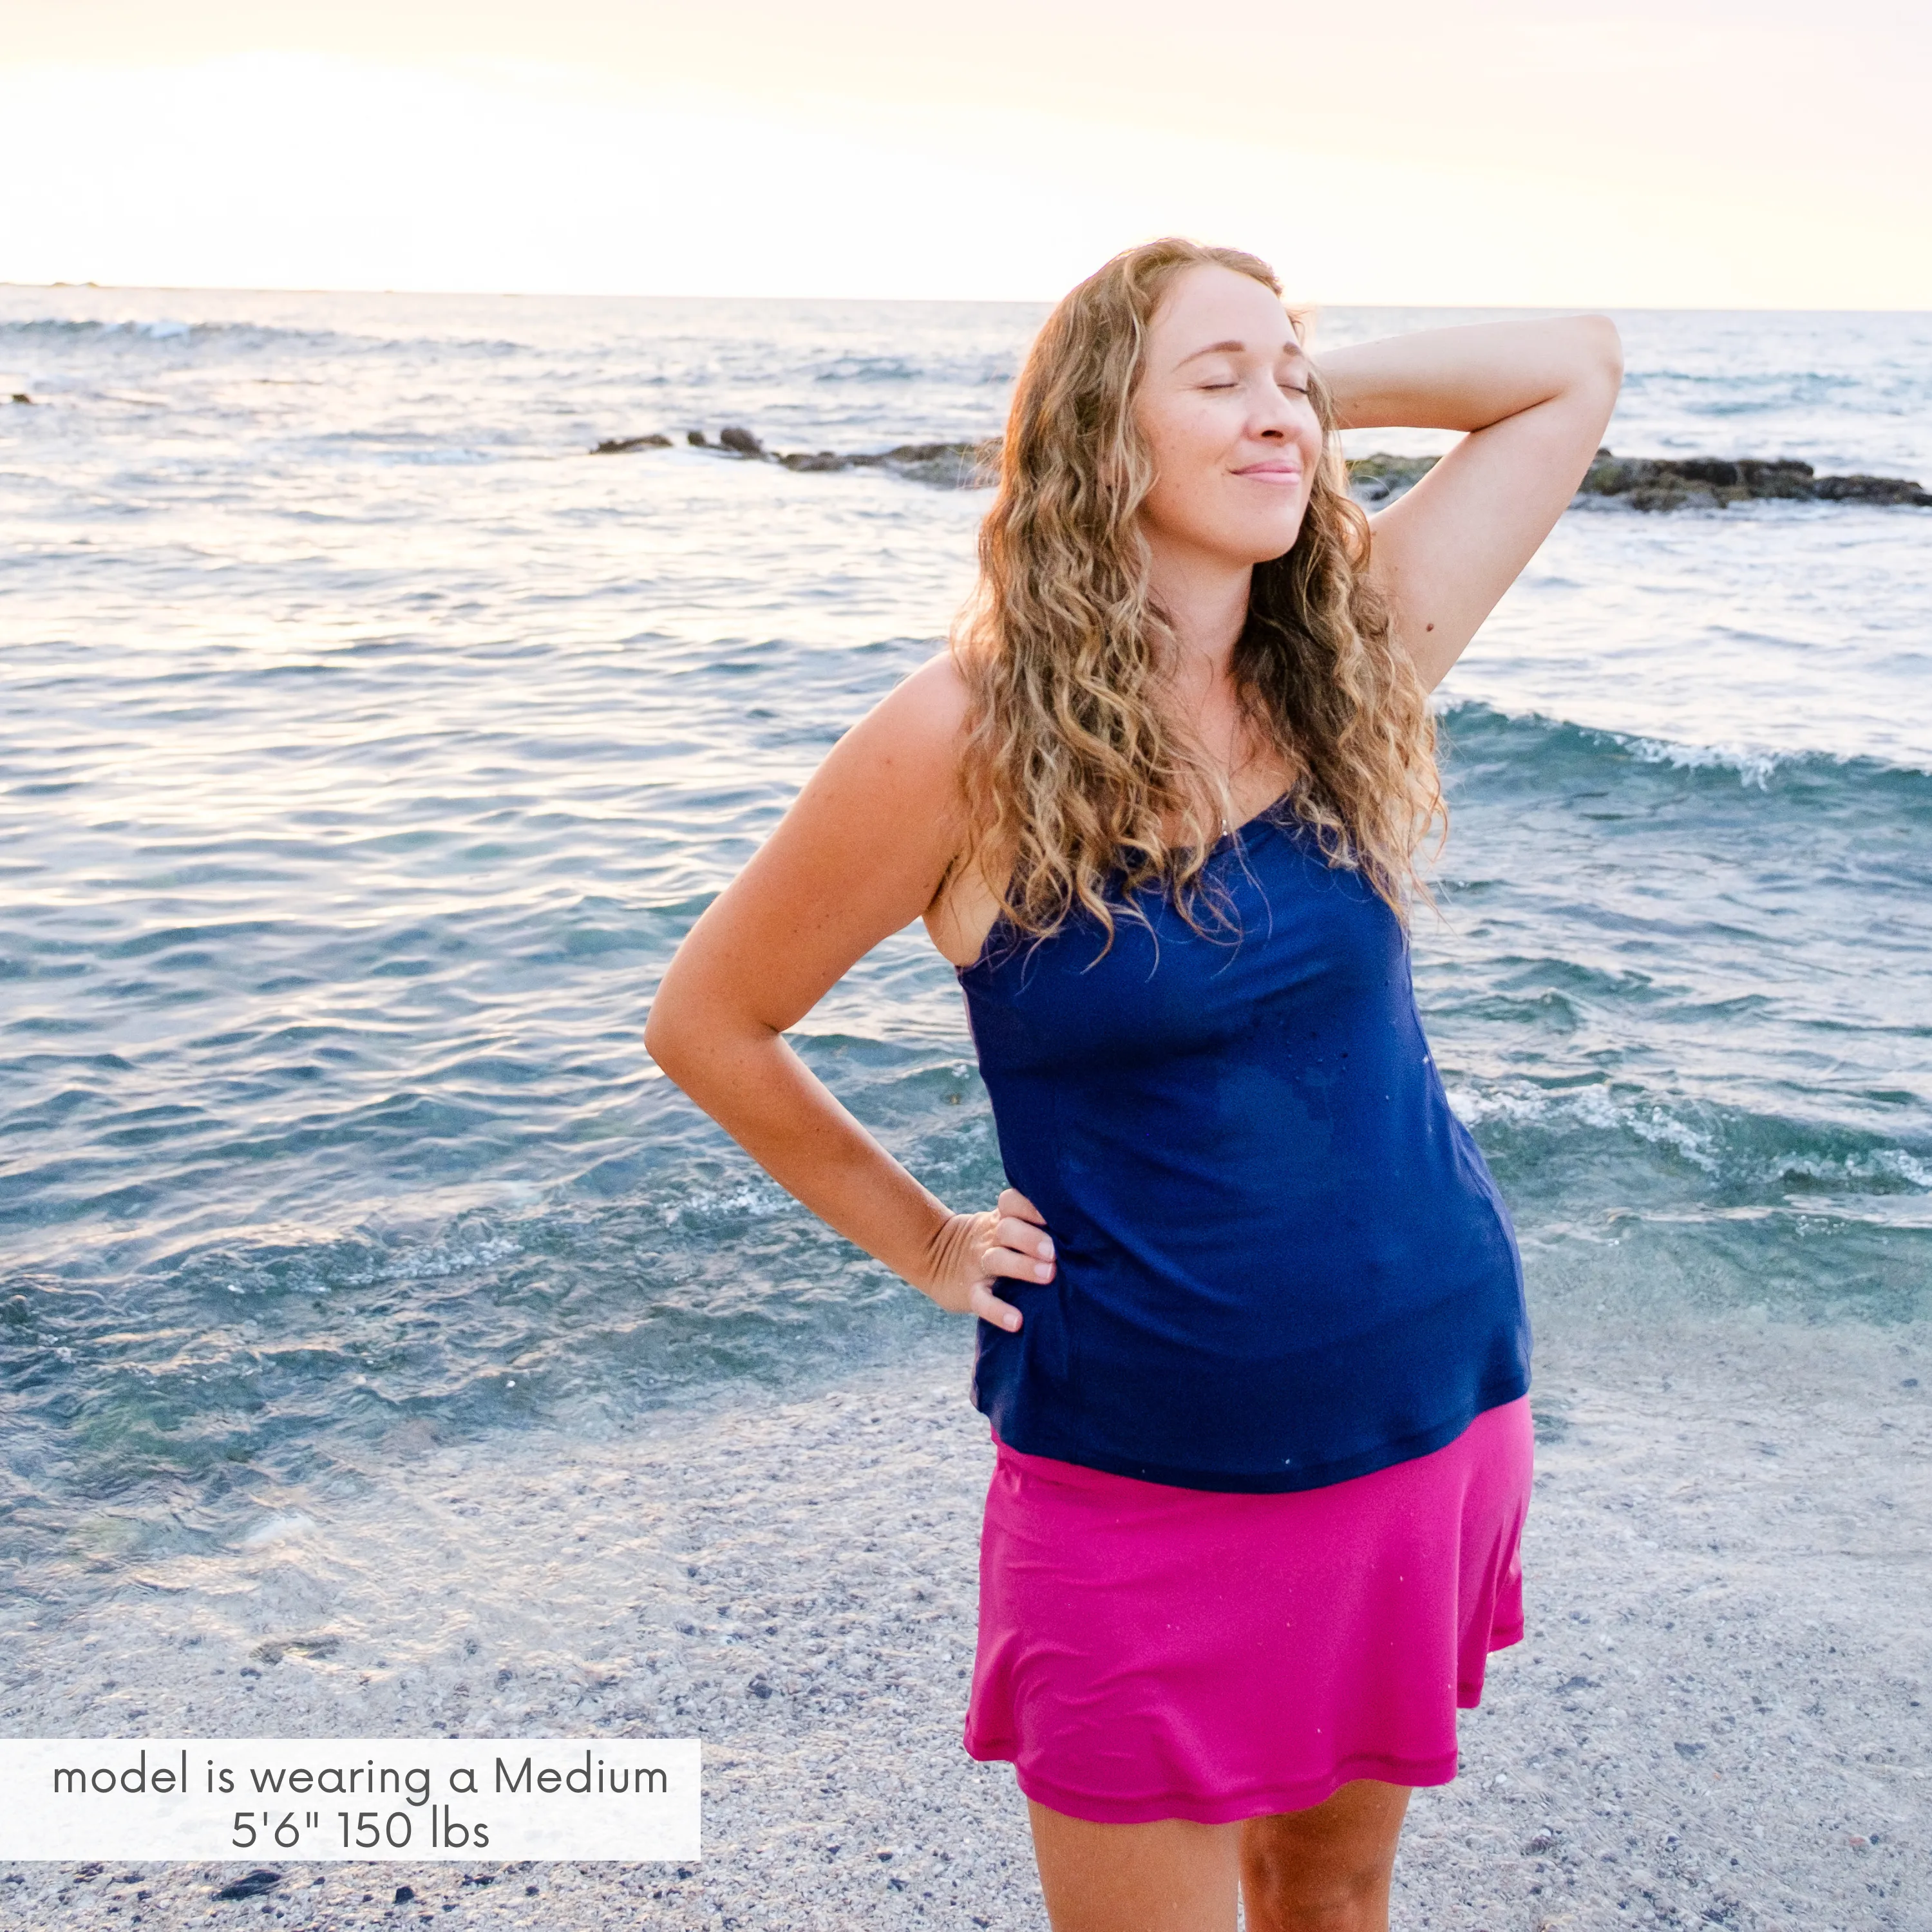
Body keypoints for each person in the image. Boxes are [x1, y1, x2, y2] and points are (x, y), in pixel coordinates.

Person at [645, 238, 1622, 1932]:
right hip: (1141, 1477)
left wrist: (1305, 386)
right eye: (1216, 380)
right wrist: (927, 1240)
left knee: (1332, 1900)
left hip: (1425, 1401)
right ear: (1104, 434)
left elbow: (1572, 367)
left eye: (1287, 379)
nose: (1276, 420)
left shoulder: (1345, 666)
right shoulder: (967, 739)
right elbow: (712, 1023)